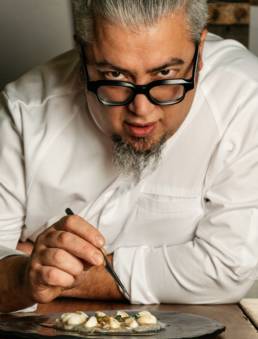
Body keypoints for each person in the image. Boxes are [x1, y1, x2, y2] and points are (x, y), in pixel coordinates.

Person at [1, 0, 258, 313]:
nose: (142, 111)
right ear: (82, 55)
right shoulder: (21, 112)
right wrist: (25, 277)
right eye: (114, 76)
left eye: (165, 73)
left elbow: (229, 269)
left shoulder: (246, 98)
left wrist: (61, 273)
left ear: (200, 49)